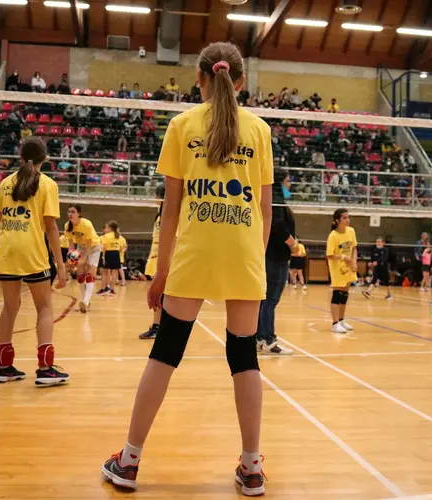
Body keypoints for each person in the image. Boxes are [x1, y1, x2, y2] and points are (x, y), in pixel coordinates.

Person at [101, 42, 273, 496]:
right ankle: (252, 467)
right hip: (243, 256)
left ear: (200, 79)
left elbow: (171, 213)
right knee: (244, 358)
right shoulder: (260, 130)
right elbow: (266, 211)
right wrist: (253, 261)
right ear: (239, 82)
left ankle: (129, 460)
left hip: (194, 255)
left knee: (165, 353)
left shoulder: (181, 125)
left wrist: (160, 271)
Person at [0, 137, 68, 384]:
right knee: (44, 307)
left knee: (9, 308)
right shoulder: (48, 184)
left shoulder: (6, 182)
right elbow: (51, 227)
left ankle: (4, 366)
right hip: (32, 251)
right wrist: (61, 265)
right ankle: (45, 368)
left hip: (7, 250)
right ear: (45, 158)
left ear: (20, 156)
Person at [256, 169, 295, 355]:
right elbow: (277, 226)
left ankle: (260, 339)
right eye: (288, 181)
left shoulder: (275, 200)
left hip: (273, 255)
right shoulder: (275, 201)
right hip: (275, 256)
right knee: (270, 300)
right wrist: (293, 244)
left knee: (266, 300)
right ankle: (270, 342)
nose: (290, 184)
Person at [139, 184, 164, 340]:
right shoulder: (159, 217)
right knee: (159, 295)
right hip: (155, 258)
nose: (155, 198)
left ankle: (158, 327)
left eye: (157, 195)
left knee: (161, 296)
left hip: (164, 260)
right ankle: (158, 326)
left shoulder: (173, 216)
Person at [326, 208, 357, 334]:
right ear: (337, 220)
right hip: (337, 268)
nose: (347, 220)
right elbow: (329, 255)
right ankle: (334, 323)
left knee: (345, 294)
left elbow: (354, 248)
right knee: (337, 295)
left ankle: (341, 319)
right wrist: (343, 257)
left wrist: (353, 261)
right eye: (344, 218)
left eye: (348, 217)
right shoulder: (333, 235)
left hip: (348, 267)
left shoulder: (351, 231)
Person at [65, 204, 101, 313]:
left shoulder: (86, 224)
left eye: (73, 212)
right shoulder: (67, 226)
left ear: (79, 214)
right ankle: (86, 301)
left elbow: (90, 244)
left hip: (94, 248)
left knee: (90, 275)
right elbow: (71, 245)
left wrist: (84, 258)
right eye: (69, 212)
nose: (70, 214)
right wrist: (70, 258)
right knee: (80, 276)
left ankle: (85, 302)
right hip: (81, 247)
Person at [96, 221, 124, 297]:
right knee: (115, 273)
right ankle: (112, 290)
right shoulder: (119, 236)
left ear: (111, 228)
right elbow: (122, 247)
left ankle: (104, 289)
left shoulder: (106, 236)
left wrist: (104, 257)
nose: (106, 229)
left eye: (107, 227)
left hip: (108, 253)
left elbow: (104, 247)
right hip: (116, 254)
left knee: (104, 272)